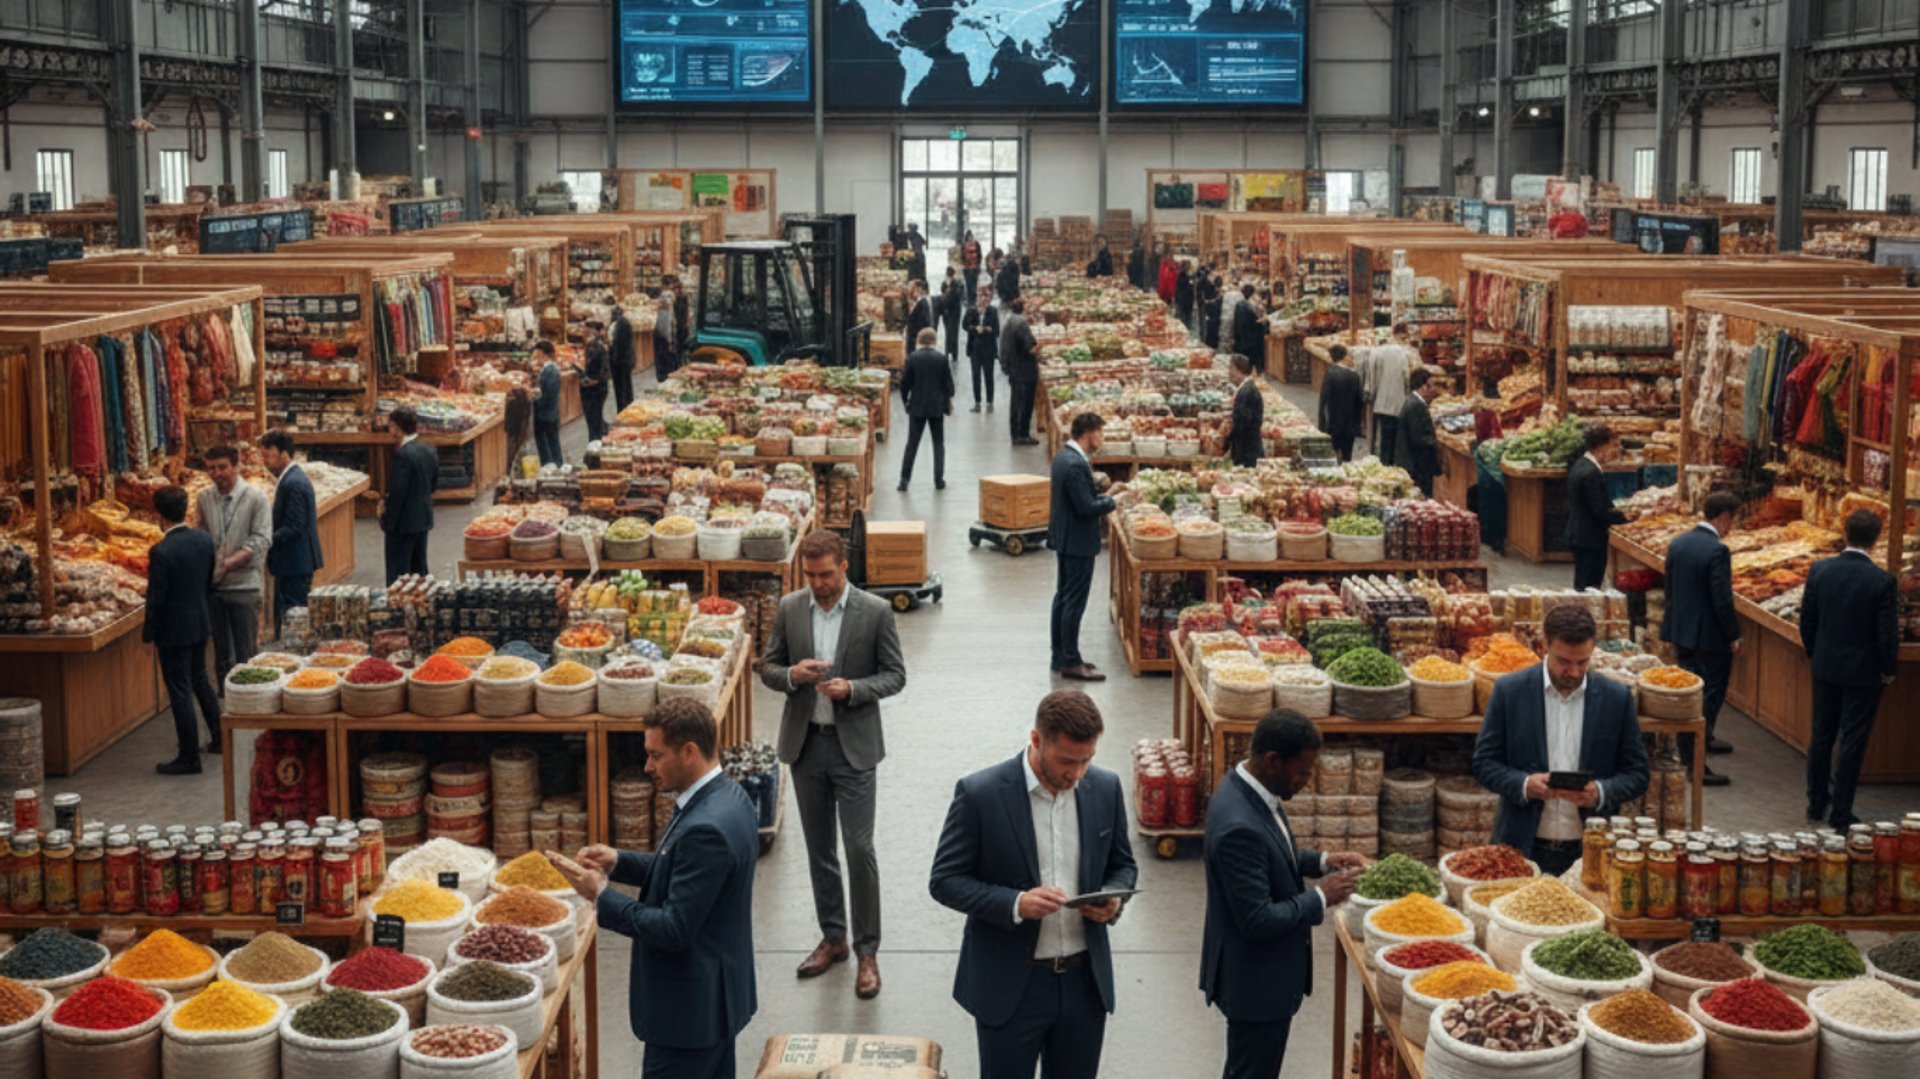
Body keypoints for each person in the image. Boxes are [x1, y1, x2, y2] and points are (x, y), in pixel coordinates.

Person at [929, 691, 1138, 1079]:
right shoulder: (981, 794)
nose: (1076, 774)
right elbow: (944, 881)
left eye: (1086, 761)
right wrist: (1015, 903)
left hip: (1083, 984)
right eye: (1066, 761)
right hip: (1012, 987)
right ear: (1037, 740)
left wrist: (1114, 900)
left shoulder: (1105, 788)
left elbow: (1123, 865)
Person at [554, 698, 758, 1079]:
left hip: (689, 1018)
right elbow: (684, 871)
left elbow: (673, 928)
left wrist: (601, 894)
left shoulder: (705, 829)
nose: (647, 767)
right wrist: (618, 860)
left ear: (689, 752)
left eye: (655, 755)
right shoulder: (729, 799)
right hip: (717, 1004)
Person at [759, 530, 908, 1000]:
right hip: (807, 746)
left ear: (844, 566)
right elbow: (767, 666)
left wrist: (854, 690)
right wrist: (791, 677)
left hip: (854, 748)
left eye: (827, 574)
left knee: (859, 848)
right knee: (820, 849)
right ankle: (834, 938)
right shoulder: (790, 608)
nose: (819, 584)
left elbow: (895, 675)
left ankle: (868, 951)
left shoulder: (875, 612)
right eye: (811, 575)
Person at [1201, 709, 1369, 1079]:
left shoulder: (1249, 789)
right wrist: (1321, 896)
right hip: (1256, 986)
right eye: (1303, 771)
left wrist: (1323, 861)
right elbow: (1258, 919)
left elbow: (1272, 852)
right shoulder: (1238, 827)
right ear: (1273, 761)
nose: (1307, 780)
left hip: (1260, 980)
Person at [1472, 604, 1650, 874]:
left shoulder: (1616, 698)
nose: (1575, 672)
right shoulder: (1511, 691)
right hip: (1521, 846)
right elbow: (1484, 763)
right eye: (1564, 662)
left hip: (1589, 852)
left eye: (1583, 662)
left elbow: (1637, 773)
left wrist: (1600, 792)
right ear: (1544, 648)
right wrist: (1524, 784)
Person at [1801, 508, 1900, 829]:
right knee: (1852, 741)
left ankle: (1816, 802)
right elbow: (1886, 633)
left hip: (1826, 665)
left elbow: (1808, 620)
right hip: (1863, 672)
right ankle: (1841, 812)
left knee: (1821, 735)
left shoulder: (1820, 571)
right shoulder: (1882, 580)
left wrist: (1815, 653)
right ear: (1877, 538)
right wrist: (1888, 669)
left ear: (1845, 533)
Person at [1660, 490, 1742, 787]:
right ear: (1723, 518)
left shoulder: (1679, 542)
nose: (1732, 526)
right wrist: (1733, 634)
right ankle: (1696, 762)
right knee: (1708, 697)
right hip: (1709, 637)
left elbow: (1669, 587)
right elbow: (1722, 598)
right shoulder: (1717, 551)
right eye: (1732, 519)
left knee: (1688, 692)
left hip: (1682, 631)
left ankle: (1697, 744)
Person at [146, 484, 222, 776]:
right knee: (201, 679)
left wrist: (150, 632)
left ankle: (189, 756)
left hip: (173, 630)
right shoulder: (203, 540)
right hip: (199, 621)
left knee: (179, 691)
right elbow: (208, 582)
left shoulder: (161, 551)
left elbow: (157, 597)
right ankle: (218, 738)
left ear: (159, 516)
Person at [1050, 413, 1120, 681]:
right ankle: (1070, 661)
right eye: (1100, 433)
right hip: (1078, 542)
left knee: (1062, 598)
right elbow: (1086, 508)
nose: (1101, 439)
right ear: (1088, 433)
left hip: (1065, 539)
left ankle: (1061, 655)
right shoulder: (1076, 464)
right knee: (1073, 602)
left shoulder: (1063, 457)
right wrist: (1113, 499)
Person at [197, 445, 270, 701]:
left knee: (246, 652)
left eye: (222, 467)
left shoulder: (256, 498)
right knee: (220, 652)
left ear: (236, 466)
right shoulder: (204, 498)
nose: (216, 473)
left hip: (244, 587)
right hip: (215, 589)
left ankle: (251, 704)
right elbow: (203, 533)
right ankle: (226, 709)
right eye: (211, 468)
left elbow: (261, 540)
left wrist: (227, 564)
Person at [261, 429, 322, 637]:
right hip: (295, 561)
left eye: (268, 456)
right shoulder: (291, 479)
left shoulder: (293, 483)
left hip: (295, 562)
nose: (264, 462)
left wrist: (265, 539)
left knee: (292, 616)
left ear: (283, 454)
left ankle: (292, 658)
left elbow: (295, 526)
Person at [1566, 424, 1628, 591]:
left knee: (1582, 583)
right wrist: (1626, 518)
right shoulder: (1591, 473)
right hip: (1590, 537)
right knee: (1589, 587)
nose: (1615, 452)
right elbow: (1600, 510)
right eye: (1613, 446)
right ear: (1603, 446)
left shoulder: (1580, 464)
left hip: (1579, 534)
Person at [380, 406, 437, 584]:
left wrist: (387, 520)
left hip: (403, 525)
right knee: (420, 573)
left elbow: (398, 494)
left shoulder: (403, 456)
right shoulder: (429, 451)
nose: (390, 431)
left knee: (399, 577)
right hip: (423, 521)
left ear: (397, 427)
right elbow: (433, 485)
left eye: (391, 426)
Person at [897, 328, 954, 491]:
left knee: (912, 444)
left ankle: (904, 480)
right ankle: (938, 479)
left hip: (917, 407)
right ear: (934, 341)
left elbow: (904, 385)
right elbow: (949, 388)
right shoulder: (942, 359)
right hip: (936, 408)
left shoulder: (913, 358)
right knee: (938, 444)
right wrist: (946, 402)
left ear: (919, 340)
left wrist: (906, 402)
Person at [1364, 333, 1412, 464]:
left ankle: (1383, 461)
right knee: (1396, 435)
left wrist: (1371, 394)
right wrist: (1407, 393)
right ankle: (1393, 461)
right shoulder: (1402, 353)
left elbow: (1371, 377)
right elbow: (1406, 375)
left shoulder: (1375, 353)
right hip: (1398, 402)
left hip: (1380, 402)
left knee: (1383, 435)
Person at [1395, 368, 1441, 497]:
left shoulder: (1413, 401)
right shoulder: (1416, 405)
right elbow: (1419, 438)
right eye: (1431, 385)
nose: (1434, 389)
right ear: (1423, 386)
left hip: (1413, 462)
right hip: (1417, 465)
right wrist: (1434, 441)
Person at [1002, 299, 1040, 446]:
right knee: (1024, 403)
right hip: (1024, 370)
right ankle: (1022, 434)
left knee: (1016, 402)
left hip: (1014, 368)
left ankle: (1016, 434)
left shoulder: (1011, 320)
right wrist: (1040, 347)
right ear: (1023, 308)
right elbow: (1031, 348)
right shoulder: (1021, 324)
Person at [1317, 344, 1365, 462]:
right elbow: (1359, 403)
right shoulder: (1354, 376)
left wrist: (1322, 424)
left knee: (1332, 454)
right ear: (1344, 357)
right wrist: (1358, 425)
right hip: (1349, 424)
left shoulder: (1330, 373)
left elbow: (1324, 400)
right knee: (1347, 456)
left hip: (1333, 423)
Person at [963, 287, 1000, 413]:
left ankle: (990, 402)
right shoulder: (971, 311)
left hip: (988, 349)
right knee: (976, 376)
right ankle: (977, 402)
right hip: (975, 350)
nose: (983, 300)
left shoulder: (993, 312)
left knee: (989, 376)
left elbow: (997, 331)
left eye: (986, 298)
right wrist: (974, 328)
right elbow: (964, 325)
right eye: (980, 298)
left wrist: (989, 330)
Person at [1225, 355, 1264, 468]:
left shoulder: (1245, 393)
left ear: (1238, 370)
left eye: (1230, 368)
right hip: (1250, 448)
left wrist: (1227, 441)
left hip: (1247, 452)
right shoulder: (1247, 389)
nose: (1229, 373)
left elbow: (1242, 424)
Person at [531, 340, 563, 466]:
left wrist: (534, 400)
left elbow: (547, 395)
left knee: (547, 446)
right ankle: (557, 467)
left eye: (536, 355)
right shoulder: (552, 369)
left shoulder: (549, 371)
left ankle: (552, 469)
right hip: (552, 414)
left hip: (545, 416)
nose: (535, 359)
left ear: (541, 354)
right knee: (553, 443)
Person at [580, 322, 611, 443]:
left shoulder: (597, 350)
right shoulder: (597, 348)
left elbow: (599, 372)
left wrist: (588, 380)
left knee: (594, 421)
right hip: (596, 389)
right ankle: (595, 442)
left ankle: (595, 444)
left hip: (594, 391)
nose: (585, 334)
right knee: (594, 421)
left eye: (588, 332)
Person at [608, 306, 637, 413]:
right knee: (624, 386)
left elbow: (620, 345)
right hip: (623, 361)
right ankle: (625, 408)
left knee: (622, 388)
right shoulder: (623, 323)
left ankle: (624, 409)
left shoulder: (621, 324)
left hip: (620, 361)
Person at [1232, 286, 1264, 371]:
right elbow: (1253, 321)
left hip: (1241, 338)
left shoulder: (1240, 304)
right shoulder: (1247, 306)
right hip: (1249, 339)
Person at [653, 283, 680, 382]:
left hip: (667, 346)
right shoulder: (663, 314)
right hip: (664, 345)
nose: (665, 301)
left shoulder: (669, 312)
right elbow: (665, 331)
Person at [905, 280, 934, 357]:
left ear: (918, 289)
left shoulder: (923, 303)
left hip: (916, 339)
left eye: (911, 288)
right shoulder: (918, 302)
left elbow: (924, 321)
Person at [939, 272, 963, 364]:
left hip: (954, 312)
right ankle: (948, 351)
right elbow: (942, 292)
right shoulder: (945, 283)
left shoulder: (957, 284)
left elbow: (957, 296)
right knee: (948, 331)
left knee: (953, 332)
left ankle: (953, 352)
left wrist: (949, 290)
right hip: (947, 312)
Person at [961, 230, 983, 305]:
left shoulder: (964, 245)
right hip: (975, 267)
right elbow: (980, 255)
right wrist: (978, 264)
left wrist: (964, 265)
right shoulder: (976, 244)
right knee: (975, 284)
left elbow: (962, 256)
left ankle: (970, 301)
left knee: (968, 285)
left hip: (967, 268)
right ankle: (974, 300)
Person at [1175, 260, 1196, 330]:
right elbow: (1184, 288)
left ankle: (1185, 328)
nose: (1189, 267)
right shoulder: (1183, 276)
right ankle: (1185, 329)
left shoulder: (1184, 276)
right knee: (1185, 317)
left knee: (1185, 316)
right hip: (1185, 300)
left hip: (1185, 300)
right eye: (1188, 266)